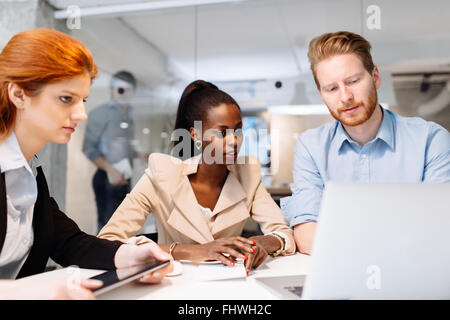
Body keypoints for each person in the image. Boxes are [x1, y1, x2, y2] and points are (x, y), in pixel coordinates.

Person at [0, 28, 172, 299]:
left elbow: (66, 241)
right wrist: (28, 290)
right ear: (19, 94)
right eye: (66, 99)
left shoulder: (30, 170)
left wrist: (128, 255)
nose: (81, 114)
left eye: (83, 101)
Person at [98, 80, 295, 275]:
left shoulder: (247, 175)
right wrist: (189, 251)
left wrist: (261, 242)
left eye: (238, 129)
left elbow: (284, 233)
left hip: (230, 284)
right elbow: (107, 241)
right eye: (222, 132)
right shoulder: (162, 174)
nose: (234, 141)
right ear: (195, 135)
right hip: (172, 286)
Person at [281, 31, 450, 255]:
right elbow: (307, 236)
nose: (345, 97)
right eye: (332, 88)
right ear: (322, 95)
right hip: (340, 276)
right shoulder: (311, 146)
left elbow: (437, 228)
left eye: (353, 81)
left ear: (376, 77)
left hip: (411, 275)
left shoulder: (430, 139)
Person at [82, 70, 140, 232]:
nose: (123, 93)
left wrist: (139, 154)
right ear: (112, 89)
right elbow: (89, 148)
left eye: (127, 89)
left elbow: (122, 145)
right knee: (108, 228)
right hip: (106, 178)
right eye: (119, 88)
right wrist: (110, 169)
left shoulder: (129, 115)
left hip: (124, 178)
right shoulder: (100, 114)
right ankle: (103, 258)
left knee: (125, 227)